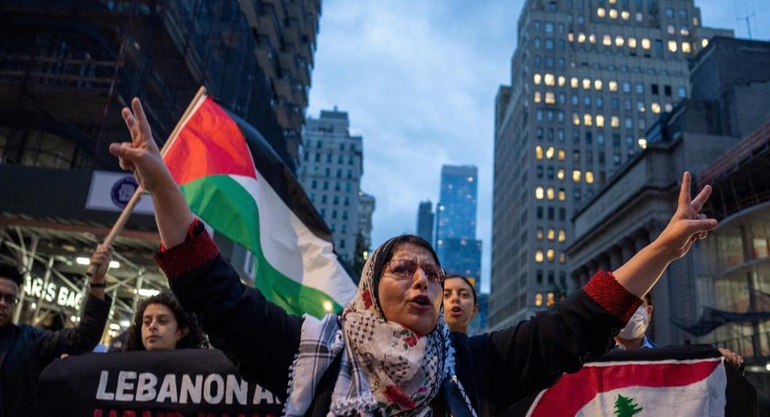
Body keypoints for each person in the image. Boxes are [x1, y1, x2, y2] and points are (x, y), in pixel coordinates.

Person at [110, 97, 718, 415]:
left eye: (433, 271)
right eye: (405, 270)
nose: (425, 281)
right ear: (372, 290)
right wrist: (165, 187)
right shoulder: (312, 357)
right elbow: (215, 296)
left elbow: (578, 324)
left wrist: (664, 248)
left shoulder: (474, 366)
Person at [0, 244, 112, 416]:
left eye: (10, 299)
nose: (3, 303)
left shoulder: (29, 340)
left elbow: (82, 338)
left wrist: (97, 283)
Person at [615, 291, 745, 368]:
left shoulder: (670, 362)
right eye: (623, 304)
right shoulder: (595, 358)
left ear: (648, 312)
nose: (629, 311)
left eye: (636, 304)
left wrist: (721, 364)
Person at [124, 291, 207, 351]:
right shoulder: (124, 367)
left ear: (181, 332)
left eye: (162, 321)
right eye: (147, 322)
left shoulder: (196, 371)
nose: (152, 326)